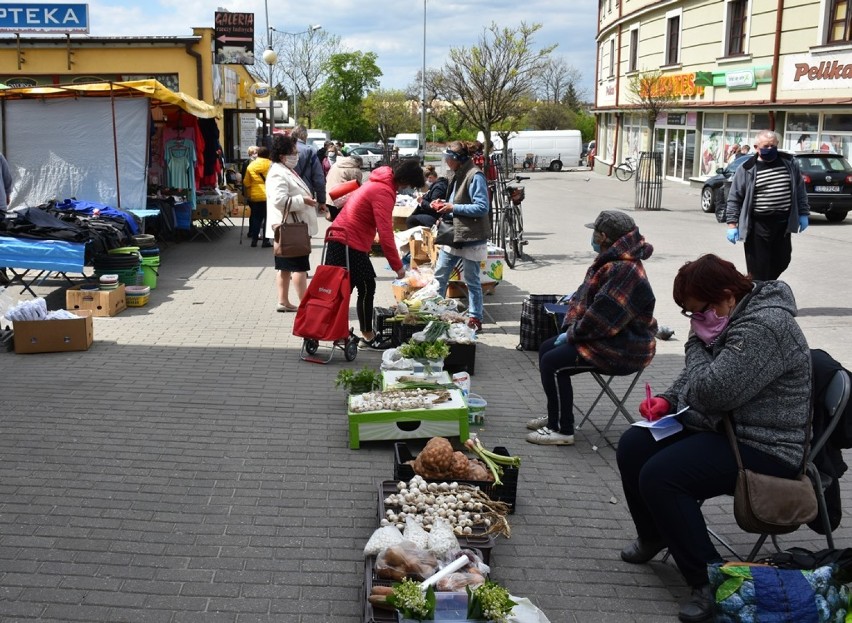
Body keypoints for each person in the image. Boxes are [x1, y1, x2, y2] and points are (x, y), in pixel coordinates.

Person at [616, 254, 811, 623]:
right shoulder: (726, 319)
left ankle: (710, 581)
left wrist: (693, 344)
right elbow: (701, 381)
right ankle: (655, 534)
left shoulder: (764, 327)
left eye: (698, 311)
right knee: (634, 446)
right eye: (689, 314)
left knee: (662, 476)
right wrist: (669, 399)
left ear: (726, 296)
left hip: (765, 445)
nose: (695, 321)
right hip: (723, 428)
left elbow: (713, 391)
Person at [526, 210, 657, 446]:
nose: (593, 238)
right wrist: (571, 326)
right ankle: (556, 416)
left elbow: (601, 319)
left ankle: (562, 430)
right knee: (547, 349)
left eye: (594, 233)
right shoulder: (614, 261)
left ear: (603, 236)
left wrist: (572, 334)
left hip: (625, 346)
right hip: (611, 337)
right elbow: (591, 303)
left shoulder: (622, 269)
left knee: (552, 363)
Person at [325, 159, 425, 348]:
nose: (408, 188)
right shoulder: (383, 192)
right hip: (347, 242)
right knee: (365, 286)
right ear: (404, 179)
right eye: (409, 184)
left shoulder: (379, 182)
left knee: (349, 288)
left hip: (343, 239)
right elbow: (386, 233)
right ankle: (366, 336)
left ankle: (343, 332)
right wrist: (398, 267)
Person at [725, 129, 810, 281]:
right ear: (756, 147)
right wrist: (732, 224)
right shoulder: (746, 169)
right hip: (758, 225)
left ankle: (765, 286)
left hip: (783, 224)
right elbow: (734, 197)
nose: (770, 149)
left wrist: (803, 213)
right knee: (758, 267)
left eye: (773, 145)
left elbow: (800, 190)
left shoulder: (789, 163)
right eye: (766, 146)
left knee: (783, 260)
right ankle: (758, 296)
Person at [432, 141, 490, 333]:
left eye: (449, 159)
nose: (446, 162)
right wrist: (444, 204)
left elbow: (482, 207)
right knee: (440, 275)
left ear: (458, 160)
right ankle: (435, 313)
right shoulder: (456, 173)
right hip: (454, 234)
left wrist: (453, 207)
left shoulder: (475, 175)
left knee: (472, 280)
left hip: (471, 236)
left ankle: (475, 318)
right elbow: (454, 199)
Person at [265, 134, 324, 312]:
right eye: (293, 152)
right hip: (291, 229)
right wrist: (303, 201)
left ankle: (283, 302)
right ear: (282, 155)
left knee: (284, 267)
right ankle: (305, 304)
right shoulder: (278, 172)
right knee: (299, 267)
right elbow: (279, 200)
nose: (296, 155)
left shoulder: (284, 169)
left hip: (288, 228)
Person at [242, 146, 272, 247]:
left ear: (258, 154)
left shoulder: (251, 166)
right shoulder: (271, 165)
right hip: (269, 196)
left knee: (256, 218)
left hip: (255, 196)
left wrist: (248, 193)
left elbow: (246, 182)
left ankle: (254, 240)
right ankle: (265, 241)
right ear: (268, 154)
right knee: (267, 218)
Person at [291, 125, 327, 207]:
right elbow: (318, 178)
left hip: (288, 194)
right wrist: (321, 200)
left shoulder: (283, 149)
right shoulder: (310, 151)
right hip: (306, 194)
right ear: (304, 136)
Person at [325, 153, 364, 221]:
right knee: (343, 223)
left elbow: (327, 178)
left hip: (330, 197)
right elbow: (358, 187)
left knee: (335, 222)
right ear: (358, 163)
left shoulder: (335, 165)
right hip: (342, 200)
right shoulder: (355, 170)